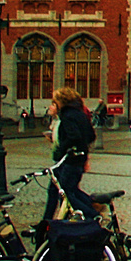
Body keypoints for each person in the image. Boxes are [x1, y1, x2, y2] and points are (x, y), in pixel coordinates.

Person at [43, 86, 97, 221]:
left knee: (67, 193)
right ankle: (47, 223)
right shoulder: (80, 114)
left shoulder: (67, 116)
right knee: (60, 190)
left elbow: (74, 136)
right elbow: (91, 135)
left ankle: (92, 214)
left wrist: (64, 147)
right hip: (78, 159)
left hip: (70, 160)